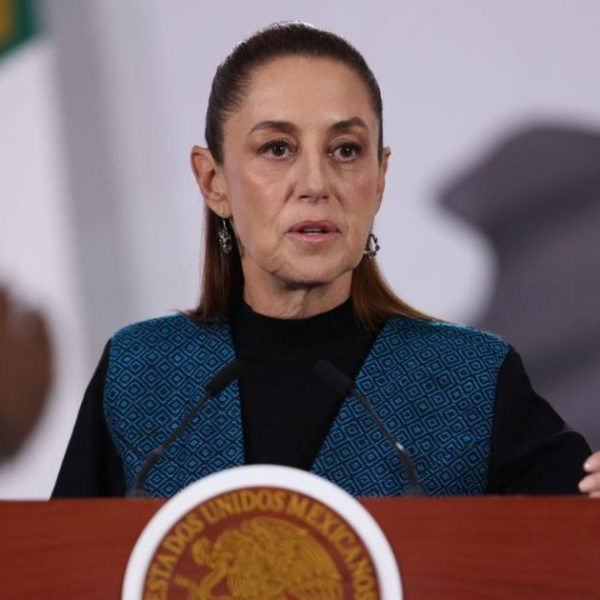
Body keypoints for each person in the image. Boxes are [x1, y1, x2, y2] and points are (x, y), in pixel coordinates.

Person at [52, 22, 600, 499]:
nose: (316, 184)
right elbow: (56, 566)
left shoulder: (468, 379)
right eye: (277, 148)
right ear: (213, 180)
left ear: (379, 178)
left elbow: (575, 543)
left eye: (345, 150)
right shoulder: (142, 374)